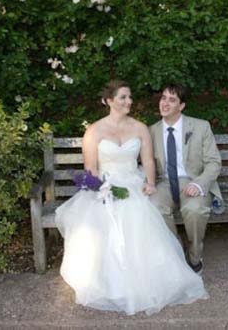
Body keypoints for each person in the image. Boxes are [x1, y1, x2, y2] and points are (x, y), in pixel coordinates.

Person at [55, 80, 208, 316]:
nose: (129, 101)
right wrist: (101, 190)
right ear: (108, 101)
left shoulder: (139, 128)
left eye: (130, 97)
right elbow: (90, 169)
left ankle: (162, 270)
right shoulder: (94, 131)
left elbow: (147, 161)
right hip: (104, 187)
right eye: (123, 97)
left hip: (134, 183)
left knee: (142, 211)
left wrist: (148, 182)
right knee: (107, 221)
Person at [149, 84, 222, 275]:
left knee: (195, 209)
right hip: (163, 183)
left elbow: (214, 162)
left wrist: (199, 184)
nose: (165, 103)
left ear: (181, 106)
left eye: (172, 100)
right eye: (163, 98)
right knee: (153, 207)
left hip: (192, 180)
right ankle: (176, 249)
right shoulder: (151, 131)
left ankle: (195, 253)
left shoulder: (200, 126)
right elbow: (146, 164)